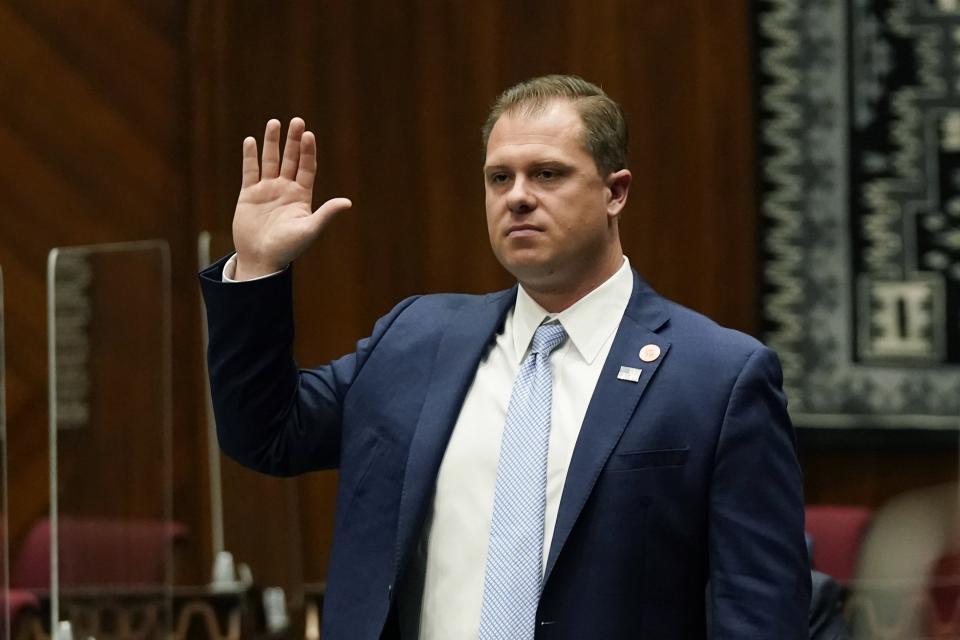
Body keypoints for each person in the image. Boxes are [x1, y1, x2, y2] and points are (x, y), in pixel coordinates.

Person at [200, 75, 811, 639]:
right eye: (500, 178)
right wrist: (258, 268)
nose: (517, 197)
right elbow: (267, 434)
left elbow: (758, 608)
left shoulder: (718, 378)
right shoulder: (415, 339)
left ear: (615, 192)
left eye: (547, 174)